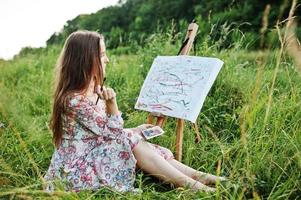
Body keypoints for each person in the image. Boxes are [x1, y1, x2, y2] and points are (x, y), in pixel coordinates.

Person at [44, 30, 225, 193]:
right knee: (131, 141)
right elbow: (113, 134)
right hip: (75, 169)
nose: (106, 59)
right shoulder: (74, 100)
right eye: (101, 54)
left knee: (136, 139)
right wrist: (112, 104)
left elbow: (104, 133)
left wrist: (135, 130)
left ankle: (201, 177)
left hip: (91, 152)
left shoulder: (91, 89)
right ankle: (193, 186)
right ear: (85, 59)